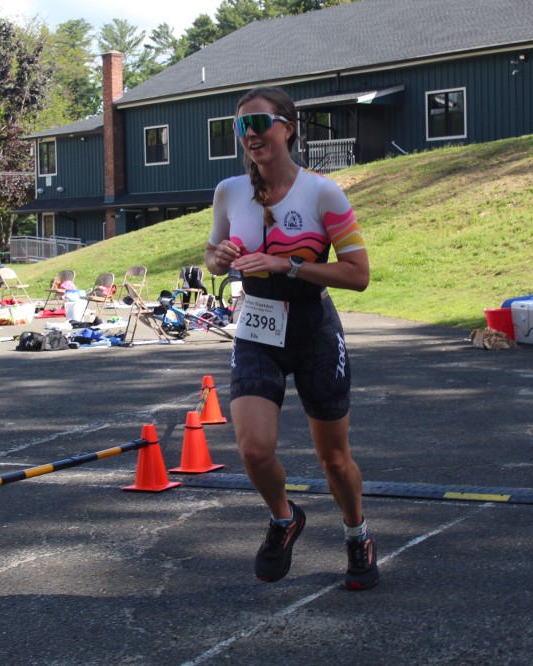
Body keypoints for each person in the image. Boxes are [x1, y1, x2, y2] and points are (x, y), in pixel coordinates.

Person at [204, 86, 377, 590]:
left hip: (312, 327)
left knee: (334, 460)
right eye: (241, 126)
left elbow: (358, 274)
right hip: (258, 325)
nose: (250, 134)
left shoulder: (322, 192)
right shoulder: (229, 191)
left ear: (288, 128)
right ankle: (284, 518)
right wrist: (218, 258)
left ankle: (357, 533)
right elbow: (212, 256)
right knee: (254, 451)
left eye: (259, 123)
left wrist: (289, 265)